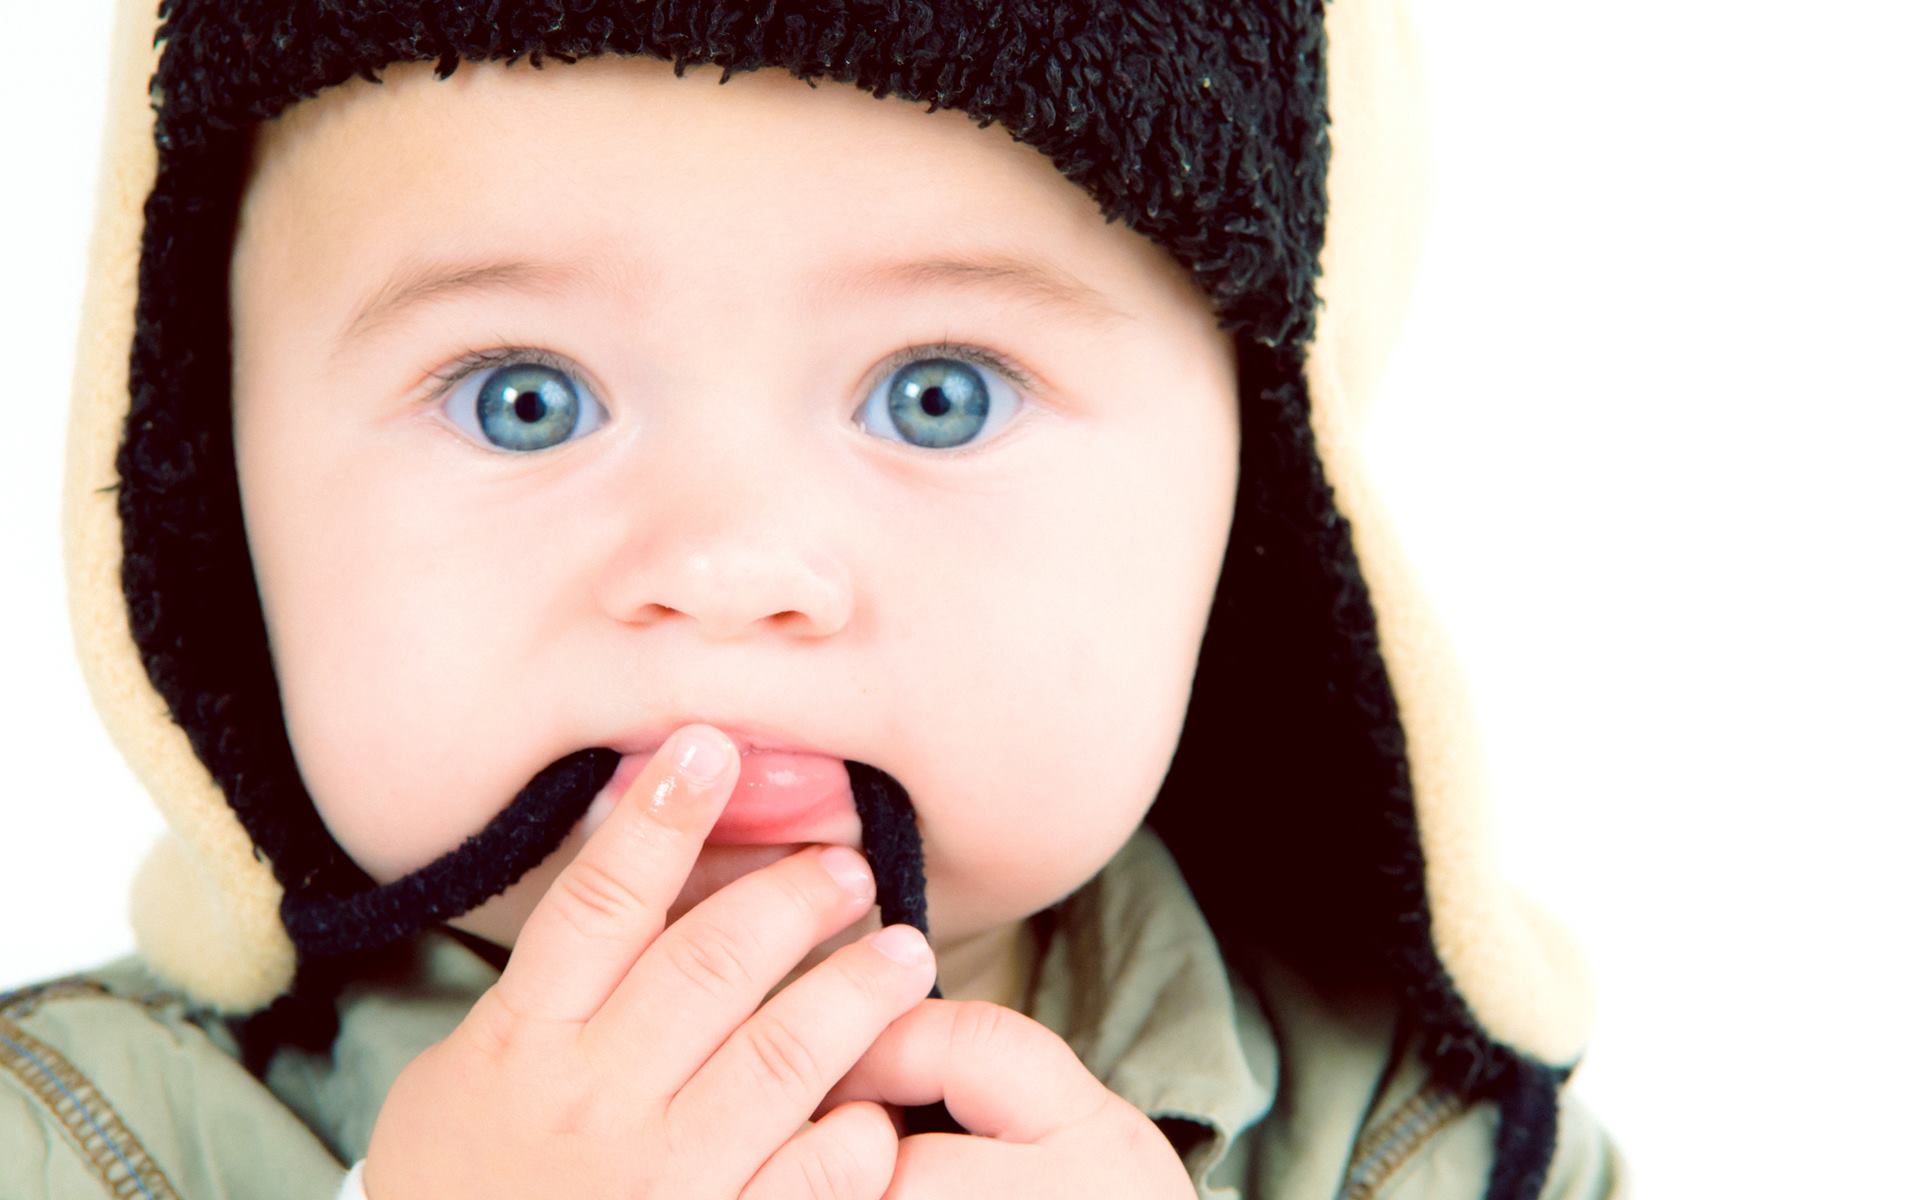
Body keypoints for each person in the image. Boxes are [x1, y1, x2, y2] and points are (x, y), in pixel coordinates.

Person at [3, 1, 1625, 1197]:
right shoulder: (71, 1139)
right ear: (208, 491)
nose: (728, 572)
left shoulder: (1425, 1151)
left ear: (1260, 510)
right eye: (522, 399)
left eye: (940, 396)